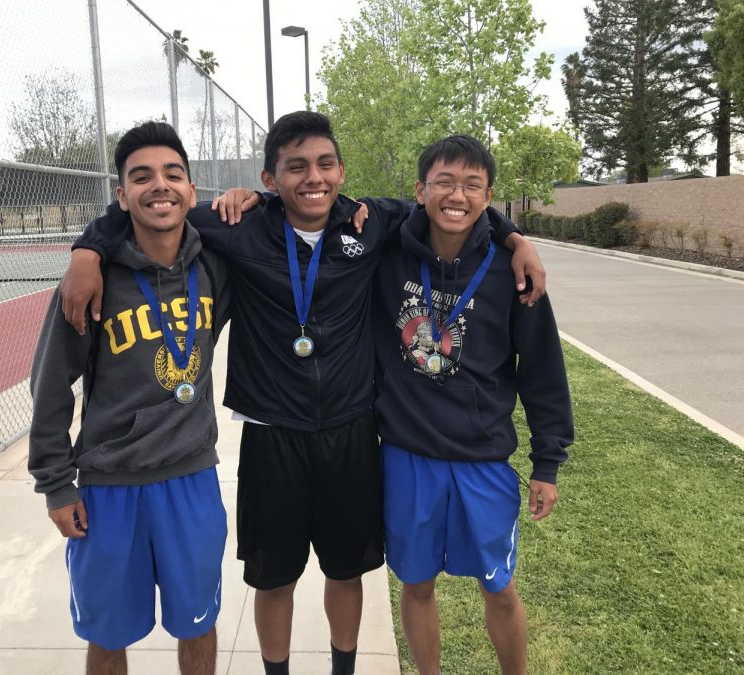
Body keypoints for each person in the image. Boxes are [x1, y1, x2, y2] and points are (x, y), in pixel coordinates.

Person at [58, 111, 546, 675]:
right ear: (270, 179)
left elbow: (454, 203)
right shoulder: (236, 224)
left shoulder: (373, 223)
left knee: (346, 572)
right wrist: (86, 251)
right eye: (295, 167)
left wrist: (517, 238)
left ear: (341, 172)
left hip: (351, 430)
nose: (312, 178)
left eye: (324, 164)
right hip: (273, 435)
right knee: (275, 578)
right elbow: (151, 212)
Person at [28, 121, 231, 675]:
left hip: (191, 479)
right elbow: (50, 384)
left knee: (199, 623)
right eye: (140, 177)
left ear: (192, 190)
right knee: (108, 635)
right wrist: (55, 482)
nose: (158, 186)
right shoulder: (91, 280)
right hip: (109, 486)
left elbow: (280, 211)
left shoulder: (214, 264)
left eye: (173, 175)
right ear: (121, 196)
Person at [372, 135, 574, 675]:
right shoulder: (387, 252)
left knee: (501, 589)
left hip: (481, 460)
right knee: (415, 586)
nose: (456, 195)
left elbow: (543, 373)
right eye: (444, 182)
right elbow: (327, 204)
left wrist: (547, 462)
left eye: (472, 185)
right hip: (407, 456)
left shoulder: (515, 273)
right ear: (420, 190)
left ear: (488, 197)